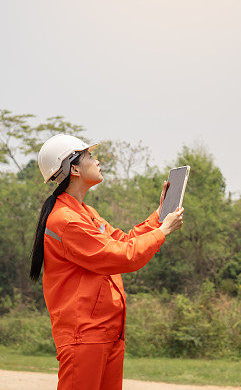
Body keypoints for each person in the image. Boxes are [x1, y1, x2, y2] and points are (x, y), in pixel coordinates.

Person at [29, 134, 184, 390]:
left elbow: (123, 241)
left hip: (106, 332)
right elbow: (122, 256)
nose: (97, 160)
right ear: (74, 168)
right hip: (85, 335)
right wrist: (163, 232)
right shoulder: (66, 220)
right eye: (90, 155)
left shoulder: (85, 213)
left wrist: (159, 216)